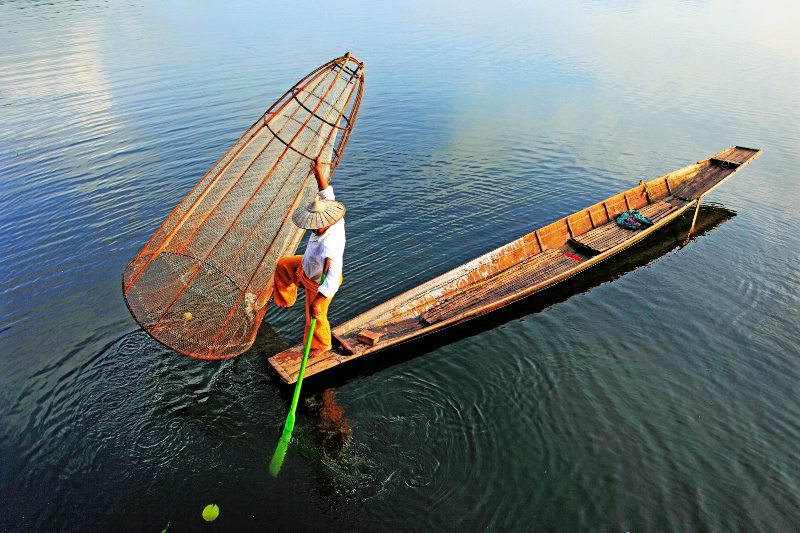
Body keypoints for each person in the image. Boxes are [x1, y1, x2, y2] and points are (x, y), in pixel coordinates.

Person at [272, 157, 346, 356]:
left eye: (315, 224)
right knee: (283, 265)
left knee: (315, 317)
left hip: (318, 283)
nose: (312, 227)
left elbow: (331, 281)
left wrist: (316, 302)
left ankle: (321, 345)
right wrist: (318, 172)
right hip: (307, 268)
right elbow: (326, 192)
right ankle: (286, 299)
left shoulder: (329, 247)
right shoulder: (333, 216)